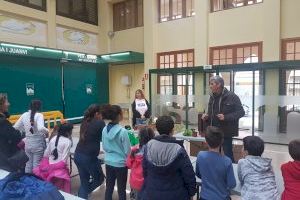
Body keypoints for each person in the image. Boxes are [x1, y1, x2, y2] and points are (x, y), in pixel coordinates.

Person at [140, 115, 196, 200]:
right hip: (176, 195)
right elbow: (189, 175)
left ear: (156, 129)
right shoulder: (179, 149)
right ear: (172, 130)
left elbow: (145, 170)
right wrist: (191, 193)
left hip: (151, 193)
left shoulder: (148, 146)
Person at [202, 75, 245, 162]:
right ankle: (215, 170)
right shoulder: (212, 97)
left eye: (212, 84)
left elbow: (241, 112)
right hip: (213, 132)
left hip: (225, 132)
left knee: (228, 153)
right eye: (210, 84)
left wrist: (226, 117)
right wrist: (206, 116)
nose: (210, 86)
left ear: (219, 85)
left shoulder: (232, 96)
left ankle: (231, 171)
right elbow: (210, 112)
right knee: (213, 154)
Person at [74, 104, 106, 199]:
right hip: (89, 157)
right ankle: (83, 193)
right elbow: (105, 138)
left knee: (84, 181)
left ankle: (81, 195)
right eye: (101, 114)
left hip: (78, 154)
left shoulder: (85, 121)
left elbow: (90, 137)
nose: (102, 116)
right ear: (97, 114)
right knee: (99, 179)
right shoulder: (100, 122)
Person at [196, 126, 236, 200]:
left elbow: (198, 174)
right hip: (222, 197)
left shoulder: (200, 155)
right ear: (222, 141)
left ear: (206, 142)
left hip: (204, 197)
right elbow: (232, 184)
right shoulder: (227, 161)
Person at [33, 122, 73, 193]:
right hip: (59, 172)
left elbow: (46, 154)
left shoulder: (54, 138)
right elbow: (63, 161)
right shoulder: (68, 142)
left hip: (48, 168)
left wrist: (48, 166)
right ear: (68, 132)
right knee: (60, 191)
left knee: (50, 189)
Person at [102, 104, 131, 200]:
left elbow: (105, 147)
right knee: (121, 189)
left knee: (109, 187)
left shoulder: (104, 129)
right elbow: (128, 151)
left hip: (108, 162)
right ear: (118, 116)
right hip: (121, 164)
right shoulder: (123, 131)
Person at [237, 136, 279, 200]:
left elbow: (241, 179)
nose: (241, 149)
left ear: (246, 152)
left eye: (243, 147)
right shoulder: (268, 164)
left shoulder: (242, 162)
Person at [14, 99, 49, 173]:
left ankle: (28, 181)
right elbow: (41, 128)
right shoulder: (39, 115)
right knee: (36, 165)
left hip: (28, 144)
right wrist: (47, 131)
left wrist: (25, 130)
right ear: (39, 107)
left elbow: (16, 127)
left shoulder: (24, 115)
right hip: (38, 144)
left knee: (28, 164)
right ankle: (36, 182)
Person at [126, 127, 155, 200]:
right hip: (149, 183)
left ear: (139, 137)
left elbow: (128, 164)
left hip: (135, 183)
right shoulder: (154, 151)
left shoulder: (135, 149)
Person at [0, 93, 25, 172]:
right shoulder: (3, 122)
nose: (9, 104)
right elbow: (16, 137)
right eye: (6, 102)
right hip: (6, 160)